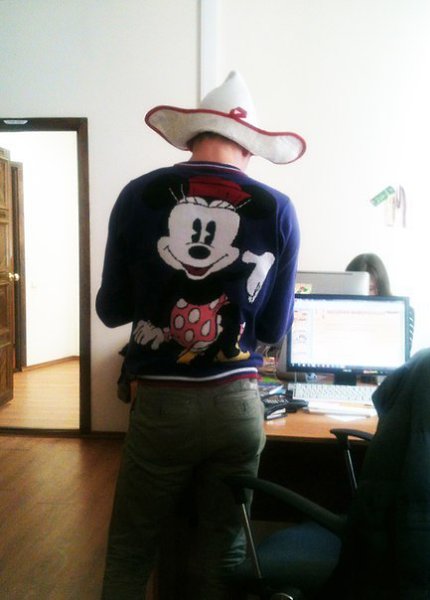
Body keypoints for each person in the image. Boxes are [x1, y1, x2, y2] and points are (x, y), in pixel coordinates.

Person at [96, 71, 306, 600]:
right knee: (224, 550)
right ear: (249, 148)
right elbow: (273, 329)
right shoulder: (279, 208)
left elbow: (111, 310)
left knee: (132, 549)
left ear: (193, 136)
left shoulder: (137, 195)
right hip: (238, 406)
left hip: (161, 404)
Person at [346, 252, 414, 351]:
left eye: (371, 289)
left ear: (381, 287)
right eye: (361, 288)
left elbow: (404, 355)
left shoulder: (403, 312)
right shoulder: (339, 311)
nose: (366, 294)